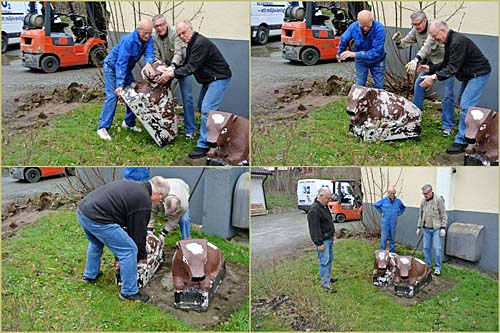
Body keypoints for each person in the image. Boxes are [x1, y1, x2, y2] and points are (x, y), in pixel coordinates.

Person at [77, 176, 170, 302]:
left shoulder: (135, 185)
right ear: (159, 194)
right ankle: (129, 292)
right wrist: (142, 256)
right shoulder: (143, 201)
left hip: (83, 211)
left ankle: (90, 275)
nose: (160, 202)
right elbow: (138, 232)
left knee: (96, 242)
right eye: (161, 199)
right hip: (98, 218)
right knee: (129, 250)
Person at [418, 20, 491, 154]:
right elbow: (446, 63)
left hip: (479, 74)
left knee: (466, 105)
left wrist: (433, 77)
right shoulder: (449, 41)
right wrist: (430, 68)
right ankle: (472, 132)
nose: (434, 39)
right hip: (469, 75)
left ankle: (462, 141)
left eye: (435, 36)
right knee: (464, 104)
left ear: (443, 31)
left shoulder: (457, 42)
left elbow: (452, 68)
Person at [165, 20, 232, 159]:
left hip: (219, 78)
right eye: (179, 35)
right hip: (209, 79)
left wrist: (171, 73)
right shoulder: (192, 44)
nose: (182, 36)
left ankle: (204, 144)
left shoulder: (200, 43)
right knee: (204, 107)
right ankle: (220, 134)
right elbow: (188, 64)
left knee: (207, 109)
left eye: (184, 32)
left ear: (191, 29)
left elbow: (191, 67)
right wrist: (173, 68)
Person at [392, 10, 455, 136]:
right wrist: (398, 41)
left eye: (418, 24)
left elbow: (426, 47)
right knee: (419, 85)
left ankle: (448, 126)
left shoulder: (433, 28)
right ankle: (415, 118)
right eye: (413, 25)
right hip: (430, 65)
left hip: (446, 64)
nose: (416, 27)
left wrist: (416, 60)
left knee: (447, 95)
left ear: (424, 21)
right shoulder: (416, 29)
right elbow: (405, 43)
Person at [97, 19, 156, 141]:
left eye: (150, 32)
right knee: (113, 96)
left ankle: (128, 123)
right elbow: (121, 63)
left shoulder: (148, 38)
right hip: (112, 67)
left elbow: (149, 53)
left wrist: (149, 63)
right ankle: (102, 128)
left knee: (134, 92)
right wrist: (119, 84)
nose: (148, 35)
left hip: (125, 68)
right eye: (145, 33)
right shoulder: (128, 40)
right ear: (138, 29)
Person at [151, 15, 196, 139]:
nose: (159, 28)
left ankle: (190, 130)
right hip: (164, 68)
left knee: (187, 98)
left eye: (161, 25)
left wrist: (172, 67)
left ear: (166, 24)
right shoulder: (153, 37)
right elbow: (155, 55)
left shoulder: (175, 33)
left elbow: (179, 53)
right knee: (160, 96)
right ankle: (164, 127)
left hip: (181, 67)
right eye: (156, 26)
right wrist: (160, 68)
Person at [337, 10, 386, 89]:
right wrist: (339, 52)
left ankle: (377, 101)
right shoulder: (354, 26)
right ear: (358, 22)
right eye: (362, 26)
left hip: (377, 60)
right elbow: (344, 39)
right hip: (361, 61)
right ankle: (359, 101)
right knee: (360, 84)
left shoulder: (379, 29)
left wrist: (355, 54)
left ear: (372, 20)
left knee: (379, 86)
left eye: (368, 26)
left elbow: (376, 52)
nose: (365, 28)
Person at [307, 187, 338, 293]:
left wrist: (332, 233)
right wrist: (319, 243)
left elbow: (328, 221)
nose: (329, 201)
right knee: (324, 262)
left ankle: (328, 277)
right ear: (321, 196)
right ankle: (325, 284)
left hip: (328, 238)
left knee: (329, 259)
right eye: (328, 198)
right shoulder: (314, 210)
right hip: (323, 241)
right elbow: (314, 229)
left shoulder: (324, 206)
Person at [416, 184, 447, 276]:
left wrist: (443, 227)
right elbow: (421, 215)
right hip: (426, 229)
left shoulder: (438, 200)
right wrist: (418, 227)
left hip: (436, 229)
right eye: (423, 193)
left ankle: (437, 268)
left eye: (426, 193)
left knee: (437, 248)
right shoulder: (423, 201)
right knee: (426, 248)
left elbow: (443, 214)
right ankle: (428, 266)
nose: (425, 195)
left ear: (431, 191)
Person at [374, 187, 406, 253]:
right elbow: (376, 205)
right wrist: (381, 211)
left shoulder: (398, 201)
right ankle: (382, 251)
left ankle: (392, 252)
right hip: (385, 221)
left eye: (393, 193)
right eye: (391, 193)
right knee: (384, 237)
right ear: (388, 193)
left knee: (392, 237)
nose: (392, 195)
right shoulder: (384, 200)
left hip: (393, 222)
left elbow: (403, 207)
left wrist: (398, 213)